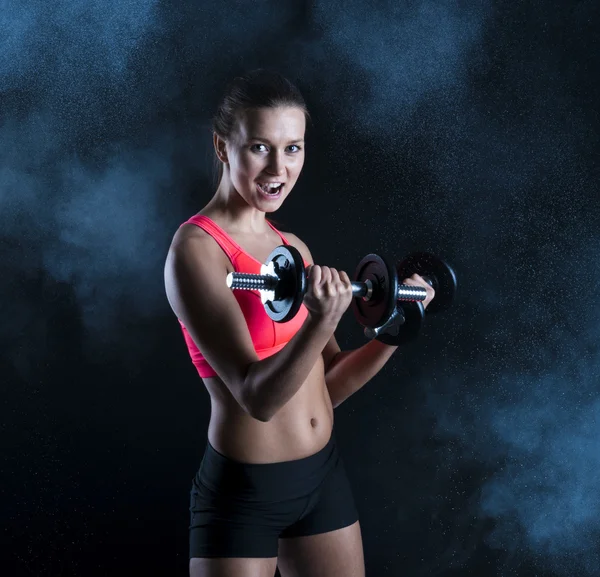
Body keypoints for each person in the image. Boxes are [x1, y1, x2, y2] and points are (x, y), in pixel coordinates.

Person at [164, 69, 435, 577]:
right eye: (260, 148)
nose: (279, 168)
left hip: (321, 480)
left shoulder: (294, 249)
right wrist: (320, 319)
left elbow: (328, 386)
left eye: (293, 148)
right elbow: (257, 399)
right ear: (223, 147)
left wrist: (399, 319)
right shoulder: (196, 251)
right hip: (245, 492)